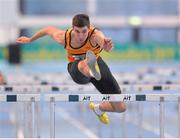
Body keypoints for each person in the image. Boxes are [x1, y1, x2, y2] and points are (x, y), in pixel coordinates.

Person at [16, 14, 126, 124]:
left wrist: (105, 45)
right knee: (84, 64)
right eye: (77, 31)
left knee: (120, 107)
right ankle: (91, 70)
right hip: (76, 68)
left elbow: (102, 39)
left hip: (97, 64)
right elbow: (47, 29)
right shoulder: (64, 37)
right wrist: (30, 39)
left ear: (89, 28)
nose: (81, 35)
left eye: (84, 31)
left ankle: (98, 108)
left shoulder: (95, 35)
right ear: (73, 29)